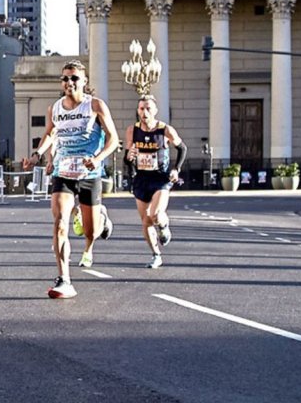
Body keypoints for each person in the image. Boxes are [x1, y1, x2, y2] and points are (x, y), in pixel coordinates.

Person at [22, 60, 118, 299]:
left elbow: (113, 139)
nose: (69, 82)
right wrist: (38, 156)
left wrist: (97, 159)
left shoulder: (95, 105)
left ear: (84, 81)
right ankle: (64, 279)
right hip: (63, 173)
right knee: (60, 222)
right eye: (65, 78)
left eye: (74, 78)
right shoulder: (54, 108)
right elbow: (49, 134)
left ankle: (99, 222)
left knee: (90, 230)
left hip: (89, 174)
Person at [124, 95, 187, 269]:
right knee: (146, 220)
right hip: (141, 178)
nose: (144, 112)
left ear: (155, 111)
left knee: (155, 214)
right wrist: (130, 158)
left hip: (160, 178)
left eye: (148, 109)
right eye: (141, 109)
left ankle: (164, 225)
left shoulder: (165, 130)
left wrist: (176, 169)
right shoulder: (132, 130)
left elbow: (182, 148)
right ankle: (156, 254)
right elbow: (127, 158)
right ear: (138, 111)